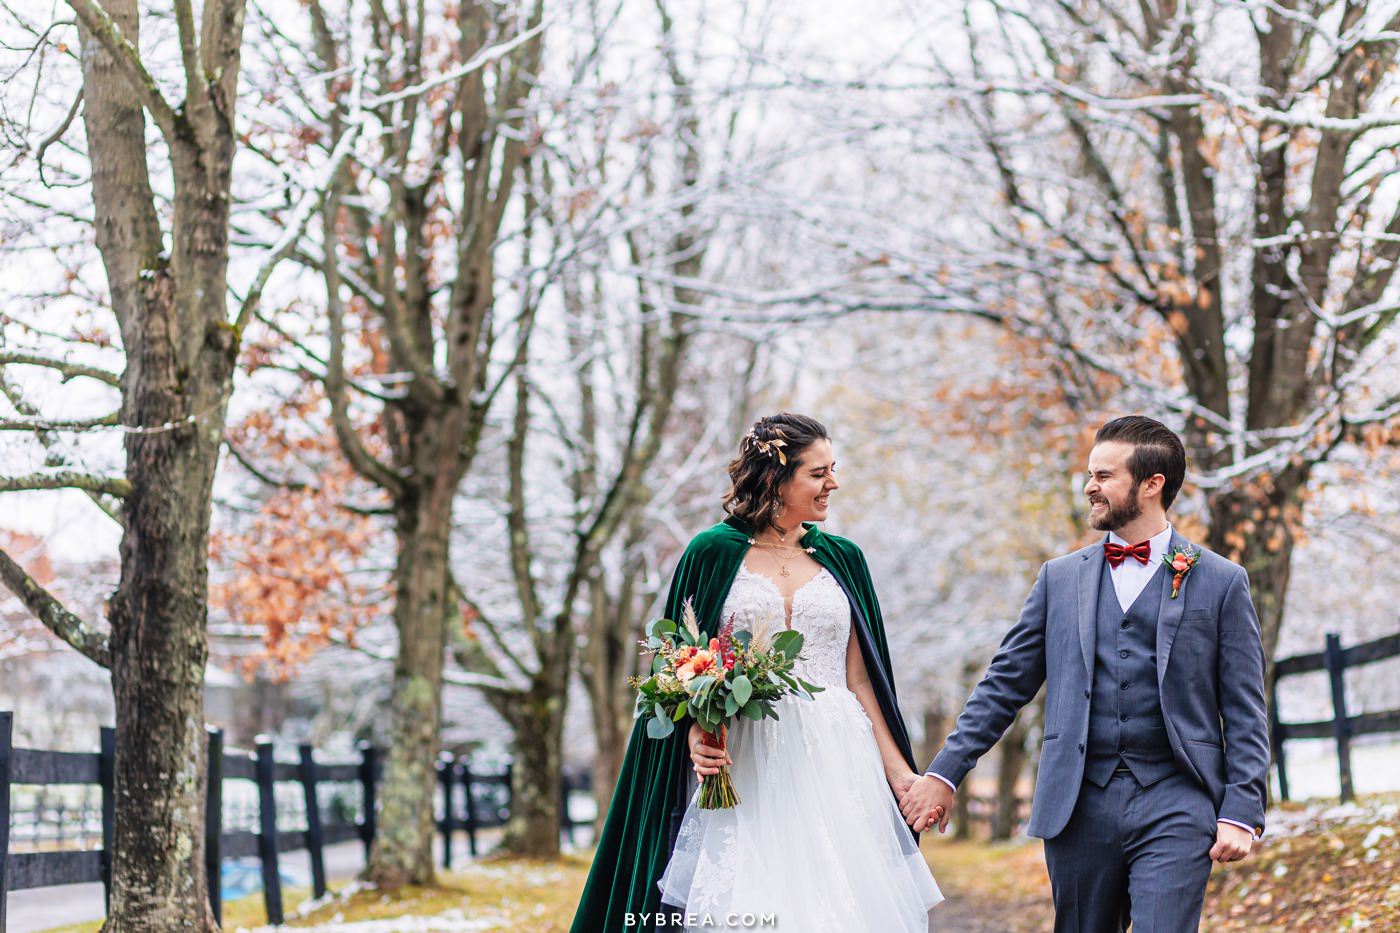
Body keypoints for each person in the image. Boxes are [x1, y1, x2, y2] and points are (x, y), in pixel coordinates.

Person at [571, 413, 942, 932]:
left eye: (832, 470)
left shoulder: (845, 559)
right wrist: (697, 729)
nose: (832, 483)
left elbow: (860, 681)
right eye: (818, 473)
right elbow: (681, 665)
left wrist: (900, 774)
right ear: (776, 477)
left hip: (838, 760)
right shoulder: (711, 552)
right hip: (747, 760)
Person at [900, 415, 1270, 932]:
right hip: (1078, 804)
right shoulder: (1060, 578)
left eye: (1104, 476)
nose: (1089, 487)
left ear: (1151, 484)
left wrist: (1241, 810)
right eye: (1090, 474)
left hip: (1178, 798)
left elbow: (1246, 709)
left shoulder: (1222, 581)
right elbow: (1005, 684)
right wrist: (945, 771)